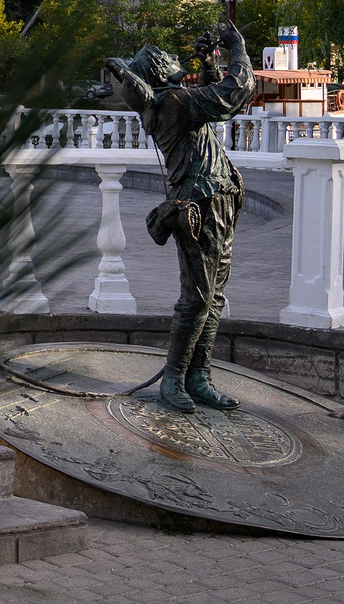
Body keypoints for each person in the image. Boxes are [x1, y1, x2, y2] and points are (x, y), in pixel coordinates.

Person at [101, 21, 253, 414]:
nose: (173, 57)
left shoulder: (172, 102)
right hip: (200, 206)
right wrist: (236, 46)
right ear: (157, 70)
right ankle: (175, 376)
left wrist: (207, 64)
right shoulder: (173, 104)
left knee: (213, 297)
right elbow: (234, 94)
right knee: (198, 298)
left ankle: (197, 376)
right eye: (165, 56)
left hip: (217, 199)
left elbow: (210, 100)